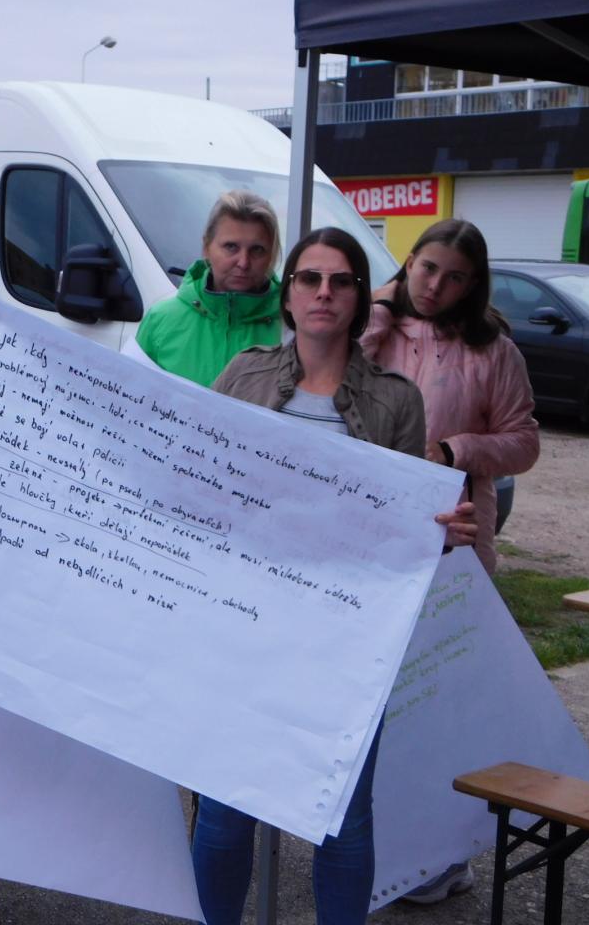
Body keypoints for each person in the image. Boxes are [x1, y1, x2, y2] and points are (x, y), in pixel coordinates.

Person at [195, 227, 478, 925]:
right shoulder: (243, 376)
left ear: (358, 297)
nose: (324, 293)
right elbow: (203, 484)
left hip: (347, 639)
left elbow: (402, 527)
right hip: (246, 625)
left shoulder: (397, 400)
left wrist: (439, 531)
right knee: (225, 810)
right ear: (288, 295)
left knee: (343, 818)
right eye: (309, 279)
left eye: (340, 281)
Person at [362, 221, 539, 902]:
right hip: (373, 541)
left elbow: (523, 442)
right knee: (378, 704)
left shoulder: (494, 350)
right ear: (407, 262)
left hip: (455, 541)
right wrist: (378, 311)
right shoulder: (373, 328)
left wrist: (455, 450)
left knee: (438, 702)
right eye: (427, 267)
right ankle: (380, 847)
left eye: (455, 276)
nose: (435, 285)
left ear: (473, 284)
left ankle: (440, 855)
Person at [134, 190, 282, 386]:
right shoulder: (160, 321)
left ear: (271, 255)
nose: (243, 262)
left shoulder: (293, 329)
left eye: (257, 250)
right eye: (231, 247)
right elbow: (130, 396)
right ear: (206, 247)